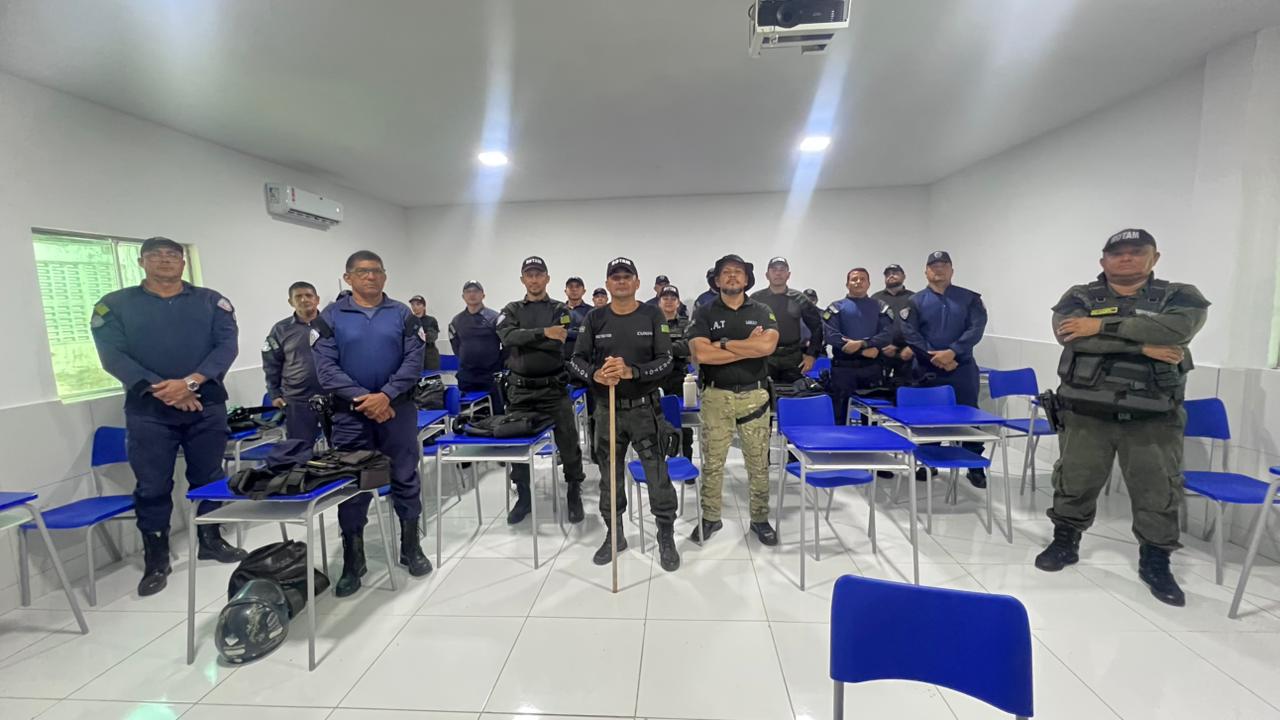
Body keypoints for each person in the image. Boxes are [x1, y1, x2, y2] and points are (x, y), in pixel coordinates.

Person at [1036, 229, 1209, 607]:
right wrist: (1144, 346)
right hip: (1087, 412)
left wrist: (1100, 326)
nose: (1126, 258)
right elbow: (1070, 336)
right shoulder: (1080, 296)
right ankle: (1065, 542)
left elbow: (1177, 329)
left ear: (1154, 258)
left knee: (1157, 489)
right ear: (1103, 261)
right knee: (1075, 480)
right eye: (1117, 254)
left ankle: (1156, 561)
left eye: (1136, 252)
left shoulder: (1179, 296)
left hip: (1153, 416)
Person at [90, 236, 245, 596]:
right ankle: (156, 558)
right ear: (141, 262)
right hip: (149, 409)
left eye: (172, 255)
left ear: (183, 263)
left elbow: (226, 347)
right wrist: (166, 390)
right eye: (155, 255)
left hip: (205, 404)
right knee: (152, 485)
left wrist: (190, 384)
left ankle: (210, 539)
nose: (164, 260)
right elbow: (113, 356)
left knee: (208, 476)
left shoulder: (210, 301)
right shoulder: (115, 305)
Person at [312, 250, 432, 597]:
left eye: (377, 271)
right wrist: (366, 399)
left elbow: (414, 361)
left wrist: (386, 395)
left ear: (385, 276)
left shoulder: (402, 314)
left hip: (398, 411)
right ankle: (354, 559)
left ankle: (410, 547)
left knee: (405, 476)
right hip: (351, 415)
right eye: (362, 271)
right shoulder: (330, 317)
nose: (370, 277)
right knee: (353, 484)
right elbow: (326, 369)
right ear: (348, 277)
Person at [570, 257, 680, 571]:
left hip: (646, 411)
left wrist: (633, 372)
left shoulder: (652, 314)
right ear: (607, 283)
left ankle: (665, 535)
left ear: (636, 282)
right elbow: (576, 360)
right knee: (609, 479)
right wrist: (595, 374)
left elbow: (666, 360)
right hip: (607, 411)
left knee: (657, 477)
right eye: (615, 277)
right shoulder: (594, 317)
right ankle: (614, 534)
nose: (620, 281)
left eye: (626, 276)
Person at [687, 254, 780, 545]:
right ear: (716, 280)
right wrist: (748, 346)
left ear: (746, 279)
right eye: (726, 272)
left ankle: (760, 519)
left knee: (758, 463)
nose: (732, 276)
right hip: (716, 396)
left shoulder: (762, 310)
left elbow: (767, 346)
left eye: (738, 272)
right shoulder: (704, 312)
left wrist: (724, 343)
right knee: (713, 462)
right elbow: (701, 354)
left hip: (755, 395)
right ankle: (710, 517)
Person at [496, 256, 588, 524]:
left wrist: (526, 337)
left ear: (547, 278)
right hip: (520, 391)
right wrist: (543, 333)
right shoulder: (511, 309)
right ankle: (524, 497)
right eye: (529, 275)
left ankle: (574, 491)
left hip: (553, 389)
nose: (534, 279)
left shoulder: (560, 309)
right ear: (522, 279)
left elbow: (557, 342)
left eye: (539, 274)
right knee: (517, 445)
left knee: (568, 443)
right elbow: (507, 337)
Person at [901, 251, 989, 487]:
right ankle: (927, 462)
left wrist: (952, 352)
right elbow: (911, 334)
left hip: (962, 367)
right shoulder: (914, 302)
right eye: (933, 266)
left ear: (952, 270)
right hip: (927, 368)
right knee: (929, 417)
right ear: (926, 271)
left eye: (943, 265)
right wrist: (936, 357)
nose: (938, 269)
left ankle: (974, 465)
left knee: (968, 415)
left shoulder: (970, 299)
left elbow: (976, 328)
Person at [823, 268, 894, 424]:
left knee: (872, 418)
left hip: (872, 369)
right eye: (854, 279)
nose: (858, 282)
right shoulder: (836, 307)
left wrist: (863, 343)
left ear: (869, 283)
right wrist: (862, 351)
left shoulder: (880, 307)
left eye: (862, 279)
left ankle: (872, 441)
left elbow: (887, 334)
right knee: (840, 415)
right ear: (847, 284)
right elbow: (831, 336)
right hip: (843, 370)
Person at [263, 281, 326, 443]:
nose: (304, 299)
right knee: (299, 447)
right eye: (298, 297)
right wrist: (274, 393)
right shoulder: (280, 330)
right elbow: (271, 363)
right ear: (291, 302)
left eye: (308, 295)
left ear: (317, 299)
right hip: (297, 399)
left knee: (343, 448)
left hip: (333, 395)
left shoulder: (331, 324)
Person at [751, 257, 824, 386]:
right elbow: (744, 326)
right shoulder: (756, 299)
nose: (778, 273)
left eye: (782, 270)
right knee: (764, 394)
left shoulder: (800, 299)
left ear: (788, 275)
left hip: (793, 359)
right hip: (764, 358)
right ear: (767, 275)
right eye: (774, 270)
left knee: (795, 393)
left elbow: (817, 327)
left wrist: (811, 355)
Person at [448, 280, 505, 414]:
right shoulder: (456, 321)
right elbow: (455, 345)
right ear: (463, 296)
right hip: (466, 376)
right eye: (468, 291)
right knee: (468, 417)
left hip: (490, 376)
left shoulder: (495, 318)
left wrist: (498, 363)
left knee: (496, 416)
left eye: (475, 291)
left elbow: (507, 344)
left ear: (483, 295)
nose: (472, 294)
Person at [656, 284, 695, 460]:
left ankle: (685, 458)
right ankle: (659, 461)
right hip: (656, 377)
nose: (669, 301)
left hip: (679, 377)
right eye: (665, 298)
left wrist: (662, 349)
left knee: (683, 423)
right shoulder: (652, 323)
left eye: (673, 298)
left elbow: (688, 346)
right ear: (659, 302)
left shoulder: (686, 324)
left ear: (678, 303)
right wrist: (672, 348)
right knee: (656, 421)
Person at [871, 264, 916, 388]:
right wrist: (880, 345)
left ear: (904, 276)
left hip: (907, 353)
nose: (891, 275)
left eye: (895, 273)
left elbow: (921, 326)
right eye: (888, 274)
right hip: (881, 353)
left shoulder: (914, 298)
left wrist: (912, 347)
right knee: (879, 391)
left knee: (906, 390)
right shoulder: (875, 298)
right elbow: (870, 325)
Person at [409, 295, 441, 372]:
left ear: (424, 306)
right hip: (413, 357)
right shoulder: (409, 321)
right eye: (413, 305)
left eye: (418, 304)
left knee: (431, 377)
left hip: (429, 357)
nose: (415, 307)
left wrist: (422, 336)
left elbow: (432, 337)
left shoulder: (431, 320)